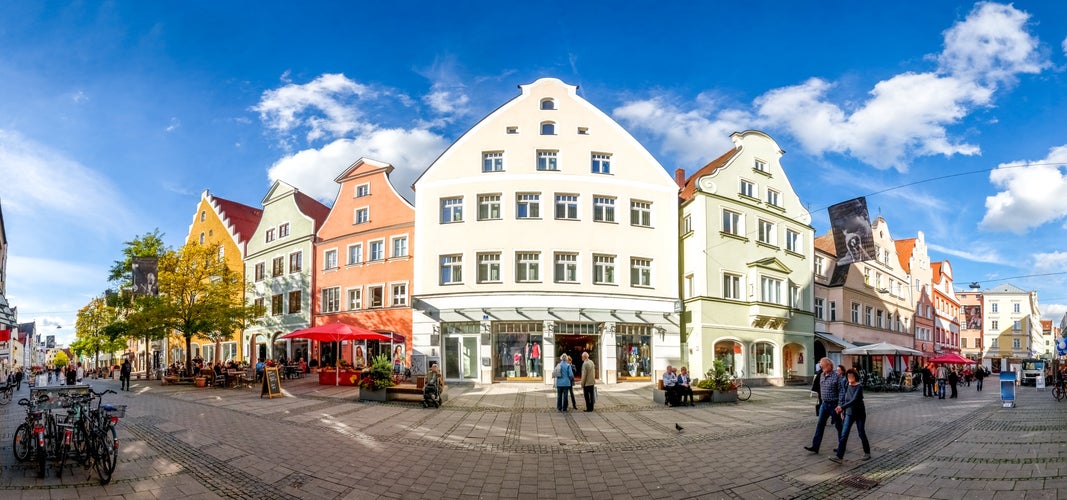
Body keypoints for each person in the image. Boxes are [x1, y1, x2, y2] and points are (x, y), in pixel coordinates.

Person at [830, 368, 871, 463]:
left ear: (855, 377)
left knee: (861, 433)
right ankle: (839, 456)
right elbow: (845, 398)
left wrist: (842, 407)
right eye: (848, 376)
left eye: (851, 376)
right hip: (849, 413)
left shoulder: (859, 387)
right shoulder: (846, 385)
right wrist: (842, 409)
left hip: (859, 414)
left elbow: (854, 400)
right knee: (844, 435)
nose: (849, 378)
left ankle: (867, 452)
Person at [805, 357, 844, 454]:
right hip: (824, 404)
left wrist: (840, 405)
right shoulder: (822, 375)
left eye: (824, 365)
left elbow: (842, 392)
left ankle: (842, 446)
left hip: (834, 405)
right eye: (821, 365)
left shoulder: (836, 377)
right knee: (820, 425)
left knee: (839, 426)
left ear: (830, 366)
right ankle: (815, 446)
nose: (822, 367)